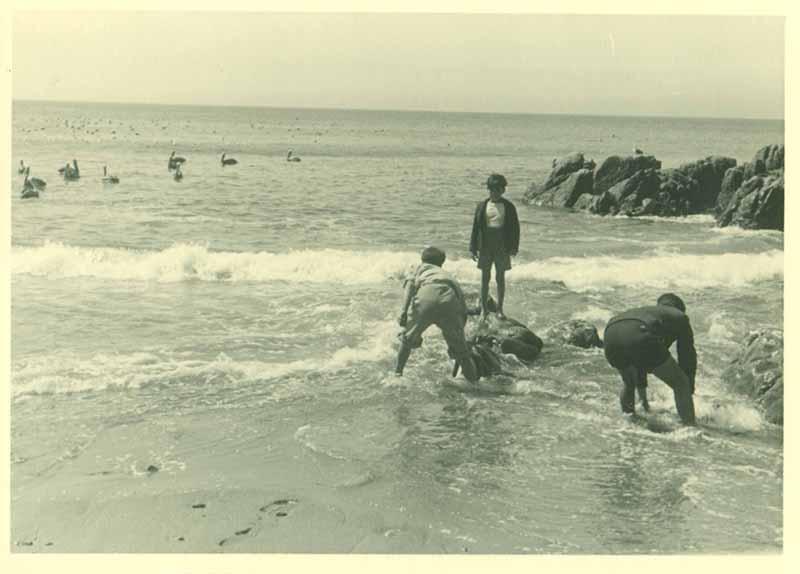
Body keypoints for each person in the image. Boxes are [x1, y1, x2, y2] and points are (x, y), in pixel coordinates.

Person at [603, 293, 697, 425]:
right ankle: (691, 428)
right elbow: (687, 355)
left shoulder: (648, 312)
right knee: (680, 382)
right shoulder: (679, 316)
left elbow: (641, 356)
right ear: (679, 308)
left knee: (629, 383)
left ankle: (629, 421)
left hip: (610, 333)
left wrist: (644, 402)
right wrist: (688, 385)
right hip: (639, 332)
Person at [396, 246, 478, 382]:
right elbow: (461, 305)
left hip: (426, 298)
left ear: (422, 260)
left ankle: (398, 374)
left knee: (407, 340)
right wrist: (460, 332)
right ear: (441, 263)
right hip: (449, 300)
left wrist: (404, 311)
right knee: (463, 354)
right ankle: (474, 384)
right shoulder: (447, 275)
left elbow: (410, 287)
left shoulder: (418, 267)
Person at [469, 173, 520, 319]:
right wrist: (472, 248)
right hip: (485, 244)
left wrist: (514, 247)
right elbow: (475, 228)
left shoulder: (509, 207)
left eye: (497, 190)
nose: (494, 193)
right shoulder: (482, 206)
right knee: (485, 277)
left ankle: (500, 309)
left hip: (502, 245)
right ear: (488, 190)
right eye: (491, 190)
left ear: (503, 190)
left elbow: (515, 229)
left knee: (500, 277)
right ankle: (484, 309)